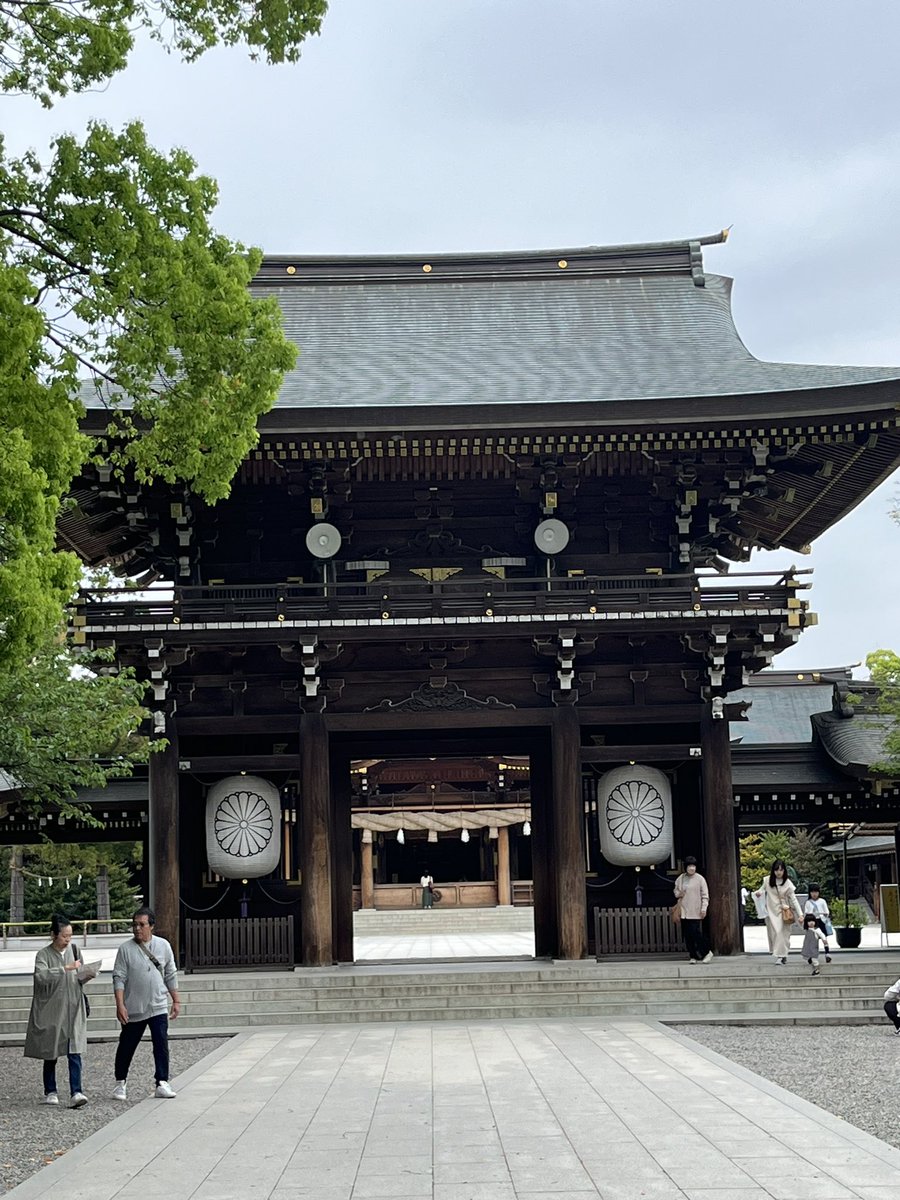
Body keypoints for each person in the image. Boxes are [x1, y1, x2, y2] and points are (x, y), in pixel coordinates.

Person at [111, 906, 181, 1100]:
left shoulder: (163, 946)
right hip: (134, 1005)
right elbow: (119, 977)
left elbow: (170, 973)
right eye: (135, 925)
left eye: (142, 925)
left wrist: (176, 1000)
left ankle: (162, 1081)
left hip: (158, 1003)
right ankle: (120, 1082)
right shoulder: (126, 949)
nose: (137, 929)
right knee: (127, 1045)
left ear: (151, 926)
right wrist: (120, 1004)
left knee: (161, 1043)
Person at [23, 914, 89, 1109]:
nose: (68, 940)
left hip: (74, 1007)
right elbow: (41, 977)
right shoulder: (43, 955)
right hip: (52, 1009)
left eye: (70, 936)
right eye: (64, 936)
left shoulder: (75, 950)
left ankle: (76, 1091)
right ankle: (50, 1090)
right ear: (53, 935)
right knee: (50, 1050)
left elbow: (80, 974)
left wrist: (87, 974)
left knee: (74, 1050)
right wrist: (64, 968)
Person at [753, 859, 803, 965]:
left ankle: (781, 955)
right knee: (775, 933)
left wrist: (800, 914)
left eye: (781, 870)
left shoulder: (788, 883)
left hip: (785, 911)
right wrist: (758, 893)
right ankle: (781, 954)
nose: (779, 872)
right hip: (772, 911)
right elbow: (761, 890)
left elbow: (794, 899)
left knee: (783, 933)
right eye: (776, 870)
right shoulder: (767, 880)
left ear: (784, 871)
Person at [673, 856, 713, 964]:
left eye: (693, 866)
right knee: (687, 935)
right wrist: (678, 894)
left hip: (695, 910)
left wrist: (704, 908)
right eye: (690, 866)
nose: (691, 868)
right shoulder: (681, 878)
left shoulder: (700, 879)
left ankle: (706, 952)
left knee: (695, 933)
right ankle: (693, 955)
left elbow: (705, 895)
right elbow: (675, 890)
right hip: (683, 910)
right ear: (686, 867)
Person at [803, 884, 833, 962]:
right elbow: (806, 913)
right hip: (812, 922)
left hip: (821, 921)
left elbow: (827, 912)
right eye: (812, 892)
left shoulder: (822, 901)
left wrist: (822, 914)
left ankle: (827, 953)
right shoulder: (808, 902)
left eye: (816, 892)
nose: (814, 894)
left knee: (824, 938)